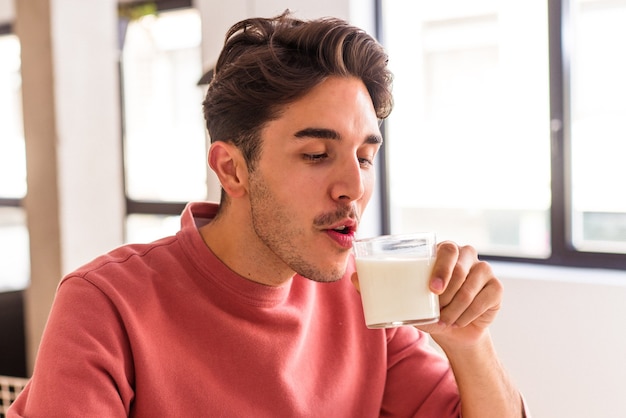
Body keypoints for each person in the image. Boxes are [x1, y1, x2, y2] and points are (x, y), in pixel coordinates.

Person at [9, 11, 529, 417]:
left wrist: (469, 343)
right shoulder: (105, 306)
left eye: (365, 156)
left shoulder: (368, 300)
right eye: (316, 155)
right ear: (232, 170)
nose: (354, 187)